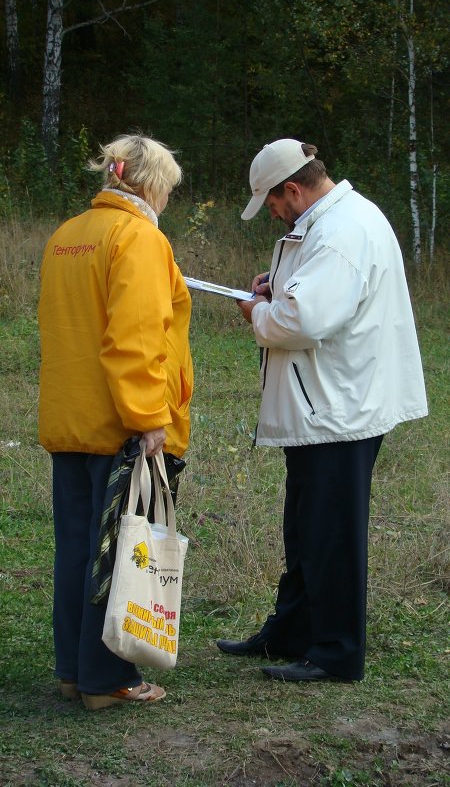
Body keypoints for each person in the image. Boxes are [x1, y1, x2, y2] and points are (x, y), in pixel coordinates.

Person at [217, 138, 428, 682]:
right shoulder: (329, 223)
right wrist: (275, 290)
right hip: (327, 403)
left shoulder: (340, 233)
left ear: (294, 188)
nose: (270, 211)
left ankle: (336, 653)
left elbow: (303, 322)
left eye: (271, 200)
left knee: (331, 532)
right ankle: (291, 631)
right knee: (306, 526)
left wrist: (258, 311)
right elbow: (311, 299)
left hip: (341, 407)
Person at [38, 133, 193, 709]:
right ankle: (109, 680)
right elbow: (134, 339)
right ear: (151, 182)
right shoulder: (139, 238)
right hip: (120, 426)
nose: (168, 201)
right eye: (169, 190)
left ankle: (74, 672)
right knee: (121, 550)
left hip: (69, 418)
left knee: (78, 547)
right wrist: (149, 418)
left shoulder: (66, 236)